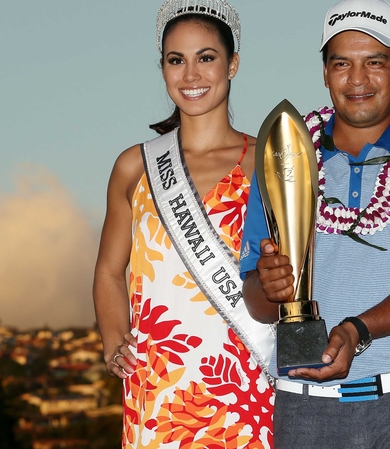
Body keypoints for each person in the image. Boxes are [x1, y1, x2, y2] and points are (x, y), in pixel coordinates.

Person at [239, 0, 390, 447]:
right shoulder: (282, 161)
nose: (358, 79)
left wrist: (356, 330)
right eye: (342, 63)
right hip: (304, 408)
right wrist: (269, 286)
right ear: (325, 73)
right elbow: (257, 301)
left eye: (375, 62)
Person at [92, 1, 275, 447]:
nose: (191, 75)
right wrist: (115, 341)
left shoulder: (269, 162)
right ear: (163, 69)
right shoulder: (136, 166)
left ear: (232, 64)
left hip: (245, 385)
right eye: (177, 60)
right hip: (158, 389)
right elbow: (109, 271)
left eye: (206, 57)